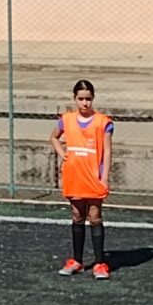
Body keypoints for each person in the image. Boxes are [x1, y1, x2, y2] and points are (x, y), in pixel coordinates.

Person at [50, 79, 114, 280]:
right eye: (81, 99)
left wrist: (104, 177)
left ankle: (99, 263)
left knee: (94, 216)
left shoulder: (103, 122)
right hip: (74, 175)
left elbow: (108, 151)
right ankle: (77, 261)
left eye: (88, 99)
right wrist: (63, 153)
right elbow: (53, 137)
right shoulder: (67, 119)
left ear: (93, 99)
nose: (85, 103)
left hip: (93, 176)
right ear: (75, 99)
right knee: (77, 215)